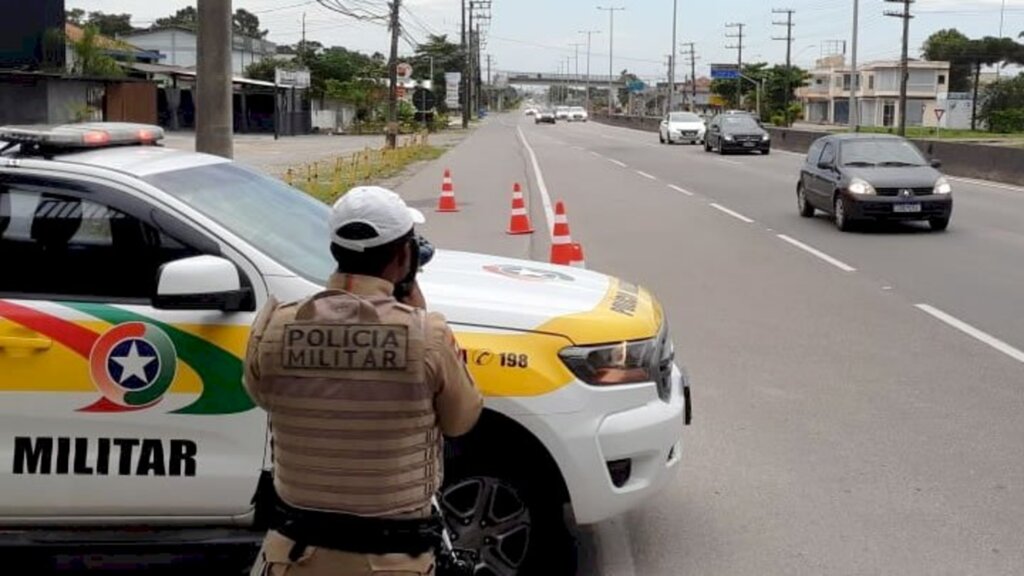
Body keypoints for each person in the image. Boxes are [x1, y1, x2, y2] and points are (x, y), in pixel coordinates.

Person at [243, 186, 484, 576]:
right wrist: (412, 304)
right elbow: (461, 419)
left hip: (291, 559)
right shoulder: (426, 335)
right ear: (405, 256)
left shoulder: (275, 326)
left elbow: (262, 395)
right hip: (393, 563)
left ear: (335, 249)